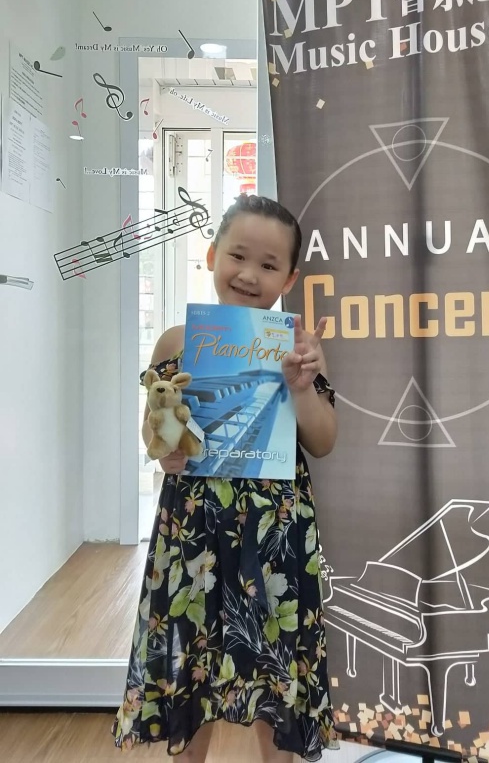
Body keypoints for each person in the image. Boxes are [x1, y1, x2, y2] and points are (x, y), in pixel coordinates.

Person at [112, 195, 339, 762]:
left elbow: (323, 440)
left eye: (269, 264)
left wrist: (302, 386)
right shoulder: (176, 340)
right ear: (212, 255)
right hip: (193, 529)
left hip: (275, 530)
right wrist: (164, 454)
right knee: (190, 657)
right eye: (237, 256)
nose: (249, 274)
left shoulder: (300, 349)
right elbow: (156, 426)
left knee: (276, 662)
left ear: (290, 277)